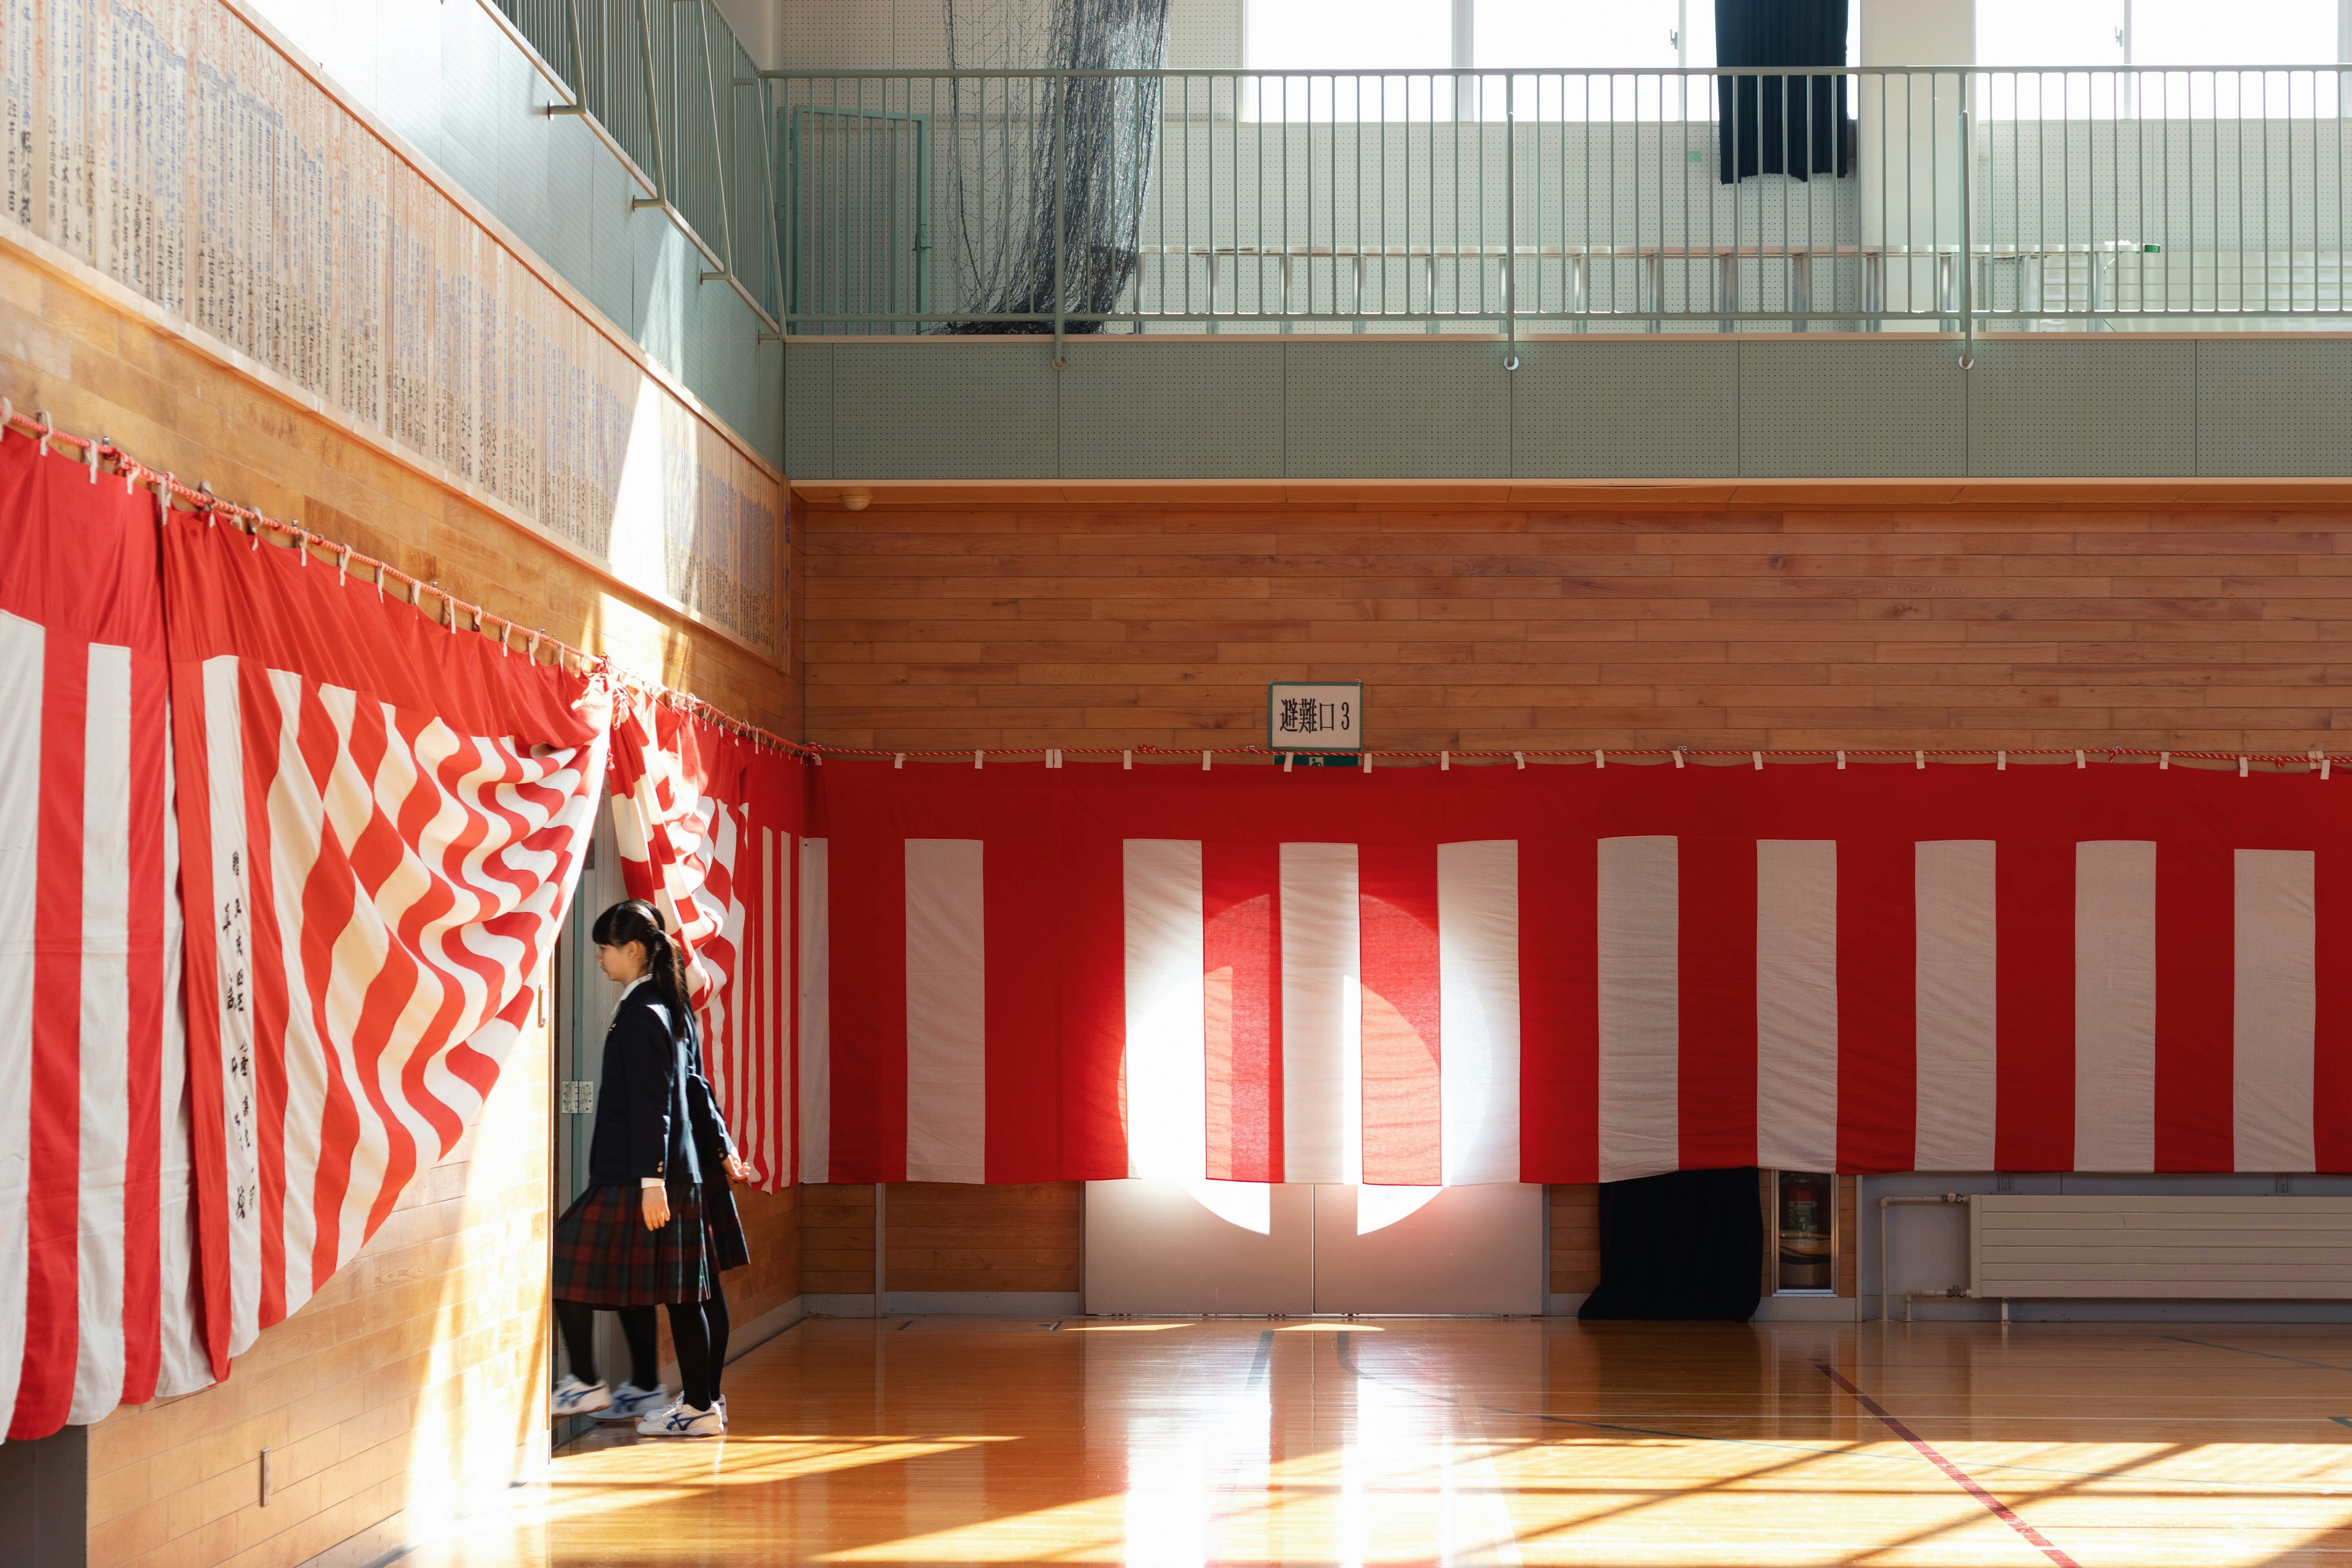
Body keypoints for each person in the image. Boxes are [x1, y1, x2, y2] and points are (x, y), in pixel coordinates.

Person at [549, 899, 728, 1438]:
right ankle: (694, 1404)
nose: (599, 959)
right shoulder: (659, 1005)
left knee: (565, 1256)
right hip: (657, 1176)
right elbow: (685, 1090)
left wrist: (652, 1182)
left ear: (632, 950)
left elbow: (658, 1101)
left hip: (646, 1179)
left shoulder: (645, 1011)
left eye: (605, 949)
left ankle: (590, 1379)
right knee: (680, 1295)